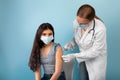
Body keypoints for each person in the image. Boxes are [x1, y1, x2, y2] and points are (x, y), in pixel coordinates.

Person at [62, 4, 107, 80]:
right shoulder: (77, 22)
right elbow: (79, 37)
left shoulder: (100, 29)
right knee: (84, 77)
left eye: (83, 23)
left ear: (91, 20)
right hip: (82, 57)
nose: (79, 24)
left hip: (95, 60)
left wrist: (75, 56)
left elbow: (95, 52)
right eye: (78, 21)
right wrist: (71, 43)